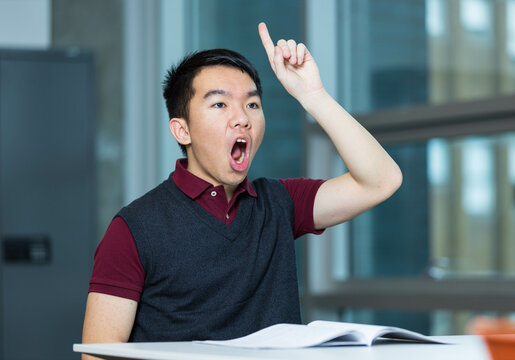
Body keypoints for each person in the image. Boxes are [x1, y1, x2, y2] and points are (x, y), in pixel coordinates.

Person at [81, 22, 402, 355]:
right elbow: (96, 354)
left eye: (252, 104)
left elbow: (381, 180)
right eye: (220, 105)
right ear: (182, 130)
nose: (242, 119)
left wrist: (314, 96)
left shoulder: (280, 203)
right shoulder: (134, 229)